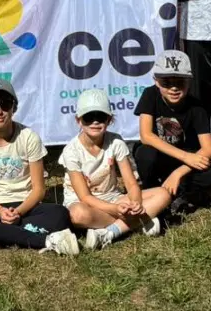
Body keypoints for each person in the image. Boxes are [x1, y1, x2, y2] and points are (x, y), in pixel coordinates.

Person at [0, 80, 79, 254]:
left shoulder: (29, 137)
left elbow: (39, 190)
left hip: (26, 205)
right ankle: (45, 240)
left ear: (14, 108)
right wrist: (0, 211)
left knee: (60, 214)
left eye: (5, 104)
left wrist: (17, 212)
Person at [60, 89, 169, 248]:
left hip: (113, 197)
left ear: (109, 120)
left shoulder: (116, 142)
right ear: (79, 121)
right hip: (85, 203)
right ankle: (140, 222)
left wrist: (136, 204)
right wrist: (115, 209)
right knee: (77, 215)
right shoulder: (71, 151)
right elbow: (85, 197)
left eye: (101, 117)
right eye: (89, 118)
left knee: (163, 193)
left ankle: (111, 231)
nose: (95, 122)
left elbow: (131, 184)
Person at [133, 50, 211, 214]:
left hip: (182, 160)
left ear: (189, 82)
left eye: (180, 82)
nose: (173, 88)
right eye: (166, 82)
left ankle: (184, 193)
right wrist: (186, 157)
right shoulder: (150, 94)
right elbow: (146, 136)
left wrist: (178, 172)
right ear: (156, 82)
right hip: (161, 154)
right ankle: (151, 191)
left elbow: (208, 149)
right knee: (145, 154)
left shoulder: (197, 107)